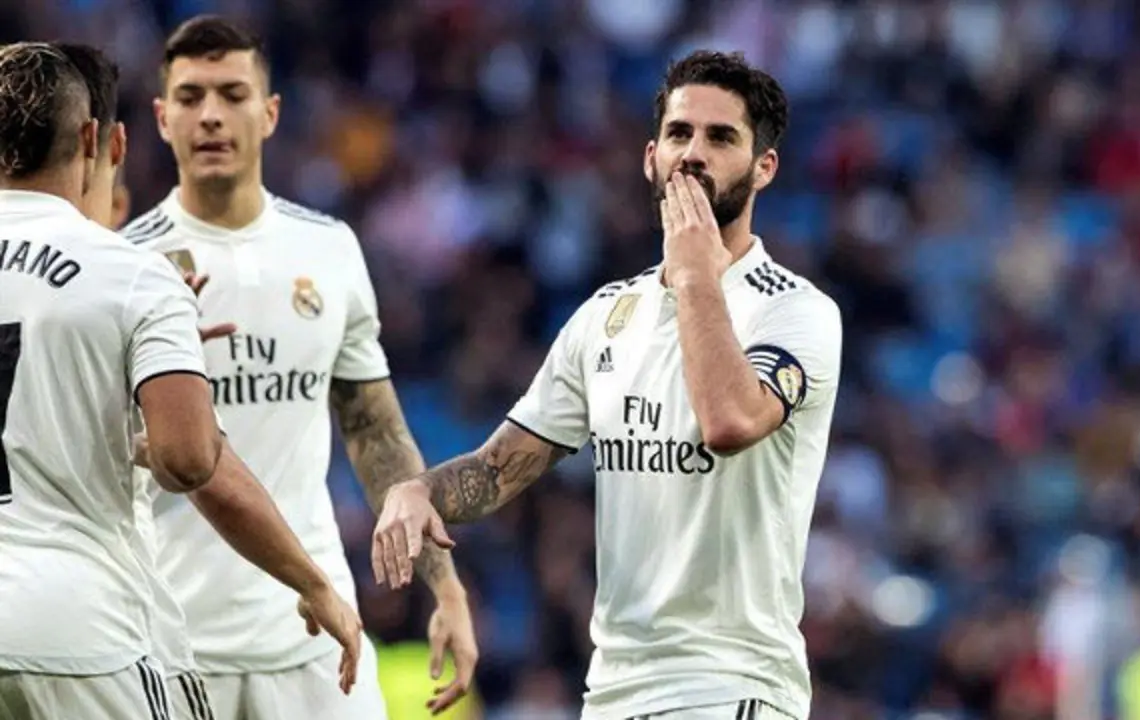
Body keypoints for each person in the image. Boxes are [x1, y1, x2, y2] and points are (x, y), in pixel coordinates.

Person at [374, 50, 843, 720]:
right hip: (615, 691)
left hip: (730, 686)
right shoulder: (606, 317)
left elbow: (731, 422)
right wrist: (421, 491)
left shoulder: (794, 311)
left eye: (721, 137)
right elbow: (498, 470)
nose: (694, 153)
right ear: (650, 156)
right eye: (680, 134)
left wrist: (694, 277)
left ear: (764, 167)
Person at [122, 15, 478, 719]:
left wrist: (446, 587)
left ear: (271, 111)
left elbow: (375, 432)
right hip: (171, 643)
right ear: (162, 118)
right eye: (191, 98)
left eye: (232, 93)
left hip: (318, 637)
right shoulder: (124, 264)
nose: (212, 115)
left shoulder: (329, 249)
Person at [0, 41, 363, 719]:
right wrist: (312, 583)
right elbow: (191, 461)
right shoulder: (137, 271)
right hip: (80, 636)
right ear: (95, 140)